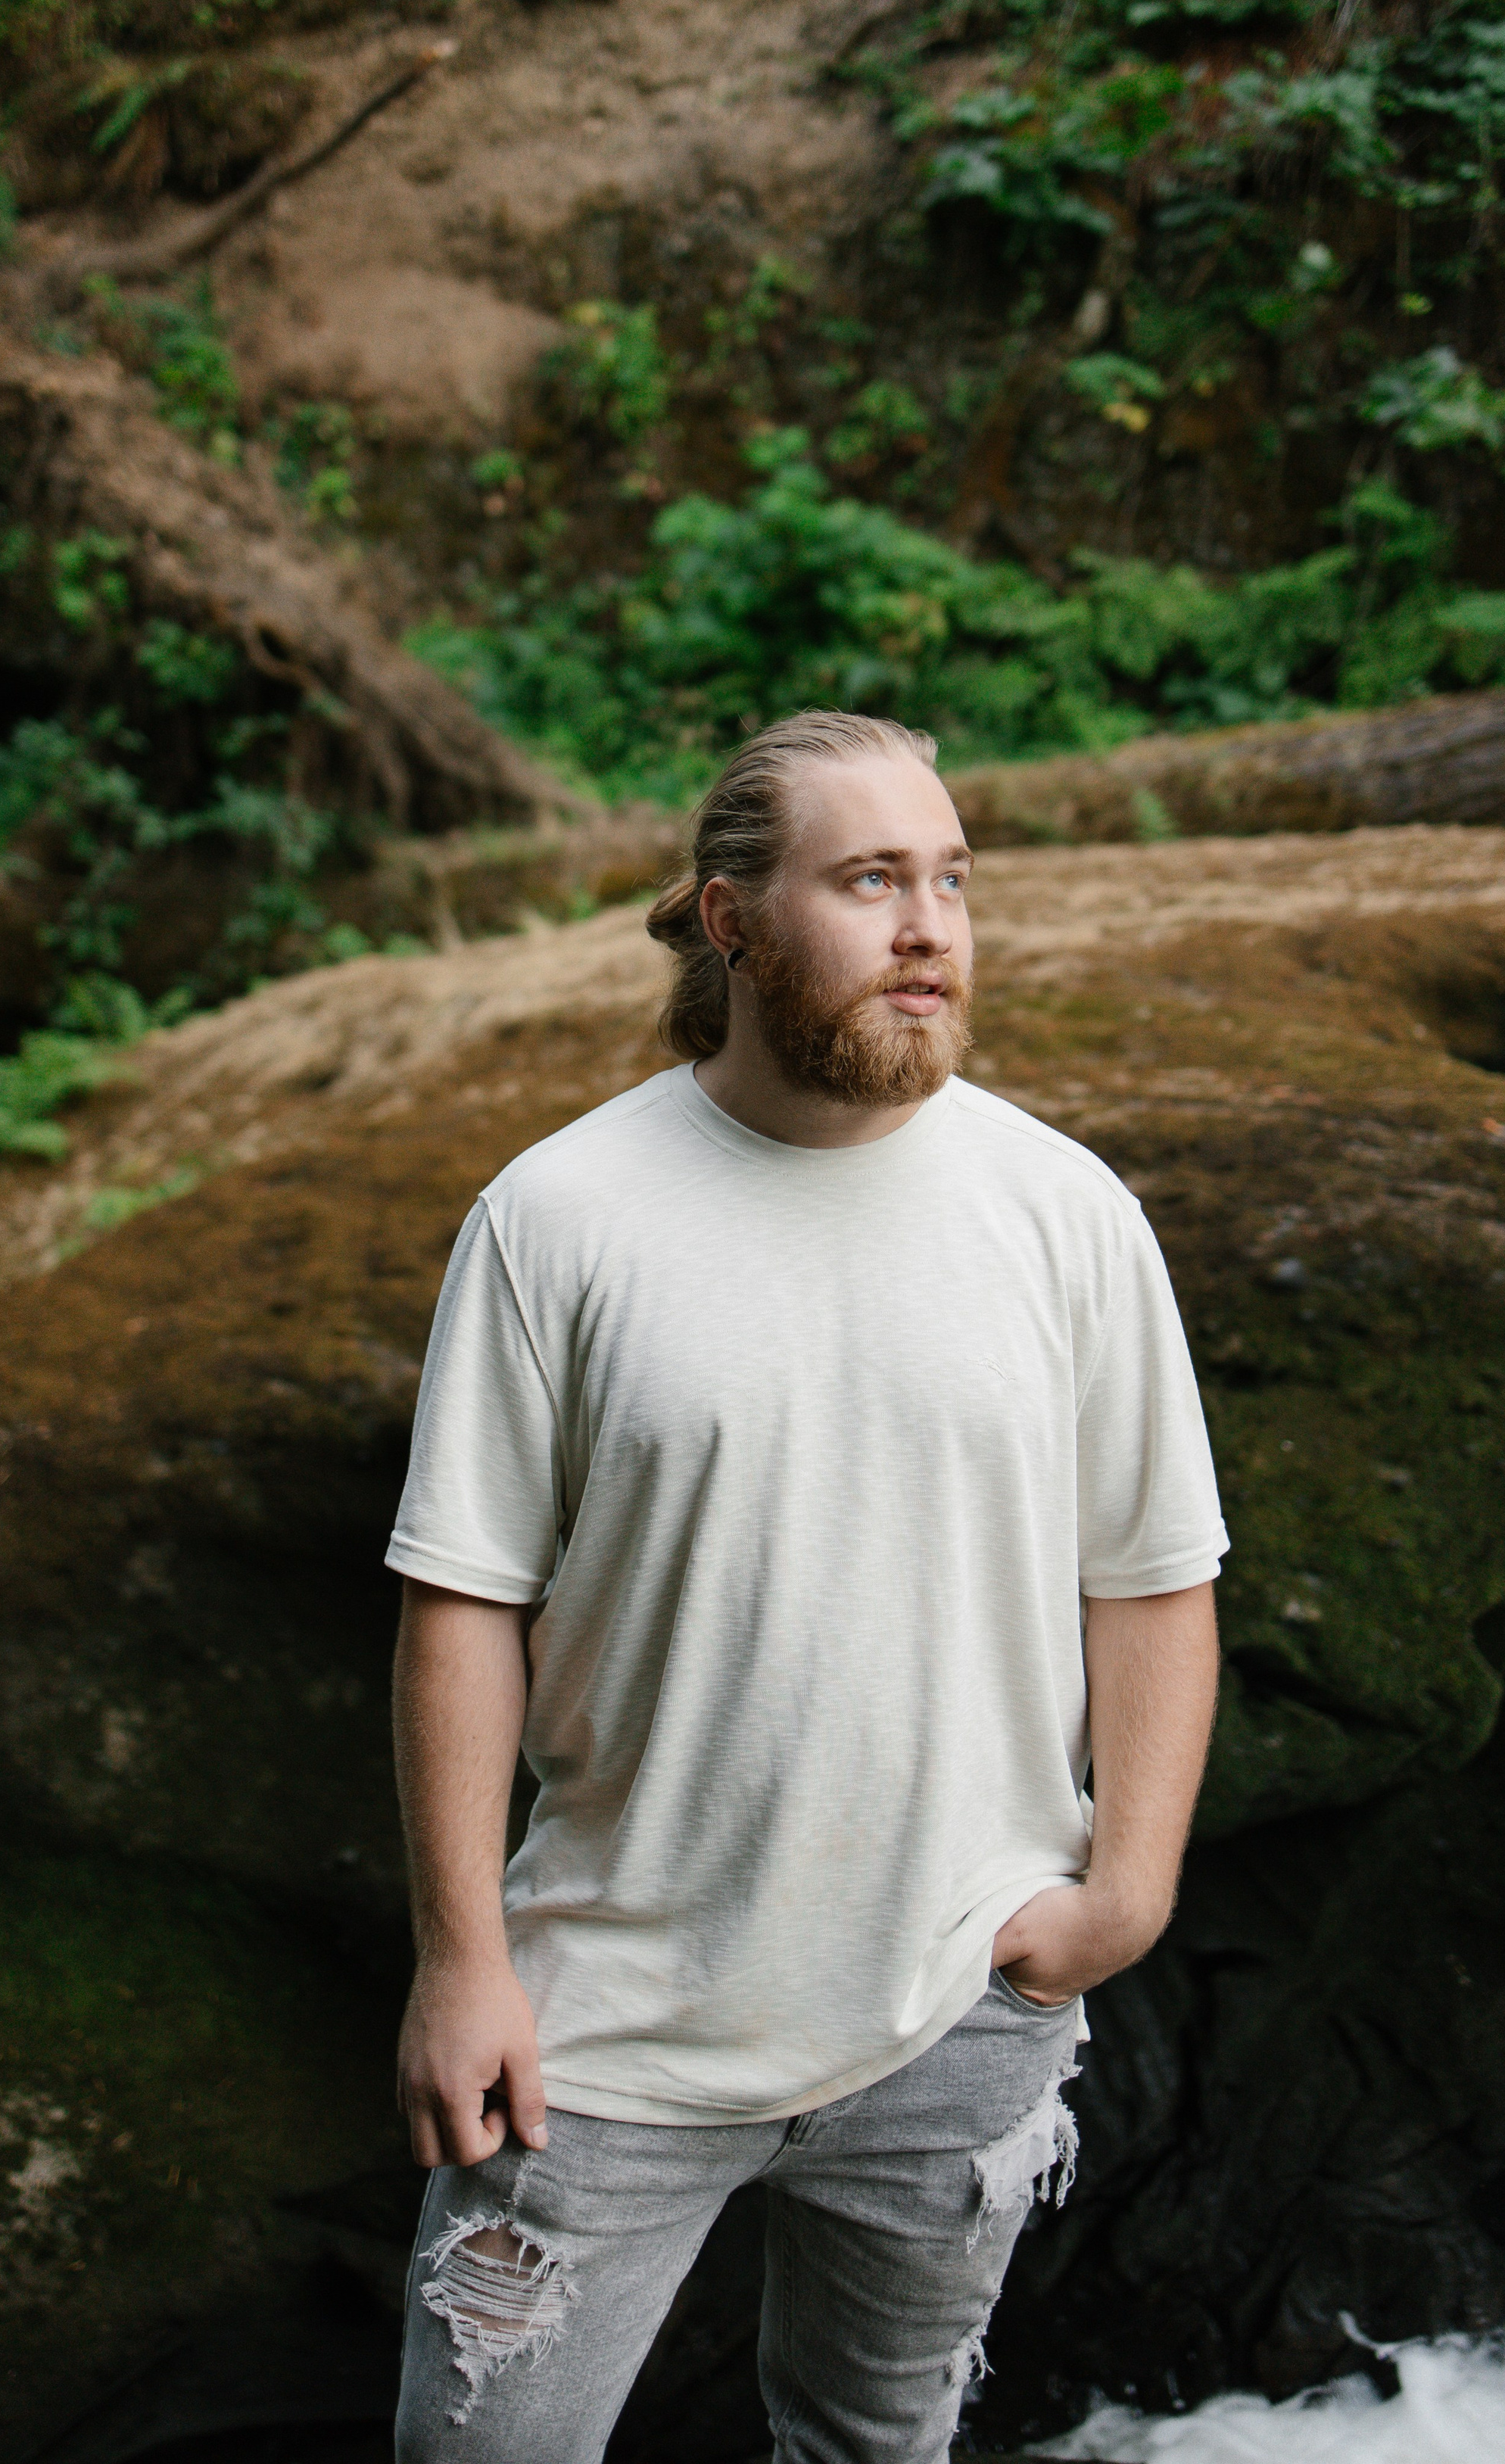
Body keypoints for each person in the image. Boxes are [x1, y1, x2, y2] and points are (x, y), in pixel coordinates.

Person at [387, 709, 1227, 2462]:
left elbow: (1149, 1578)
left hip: (958, 2011)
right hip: (602, 2028)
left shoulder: (1063, 1213)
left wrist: (1126, 1893)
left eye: (948, 882)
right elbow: (462, 1605)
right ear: (730, 921)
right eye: (867, 882)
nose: (926, 929)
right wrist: (461, 1961)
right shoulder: (558, 1217)